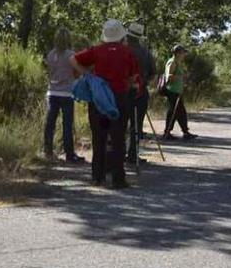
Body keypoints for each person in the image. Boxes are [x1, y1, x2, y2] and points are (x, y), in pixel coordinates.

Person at [71, 19, 141, 189]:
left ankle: (97, 177)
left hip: (99, 100)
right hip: (118, 99)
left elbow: (73, 59)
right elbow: (134, 76)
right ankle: (118, 179)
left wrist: (87, 74)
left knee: (99, 138)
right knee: (118, 140)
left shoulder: (96, 50)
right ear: (120, 35)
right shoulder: (127, 52)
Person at [43, 27, 83, 163]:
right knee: (67, 124)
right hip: (66, 93)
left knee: (50, 123)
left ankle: (47, 150)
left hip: (52, 91)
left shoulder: (50, 55)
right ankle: (69, 153)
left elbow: (49, 72)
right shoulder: (71, 55)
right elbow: (78, 71)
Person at [125, 22, 156, 163]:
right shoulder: (146, 52)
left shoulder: (122, 50)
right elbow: (153, 74)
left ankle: (118, 154)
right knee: (136, 126)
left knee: (120, 123)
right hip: (141, 92)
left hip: (122, 91)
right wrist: (143, 81)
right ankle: (132, 155)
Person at [162, 44, 198, 141]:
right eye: (183, 53)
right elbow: (169, 77)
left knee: (175, 112)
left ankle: (171, 132)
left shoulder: (178, 62)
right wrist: (181, 77)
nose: (184, 54)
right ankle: (181, 132)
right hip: (172, 91)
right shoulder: (172, 62)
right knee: (179, 112)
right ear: (178, 53)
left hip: (177, 91)